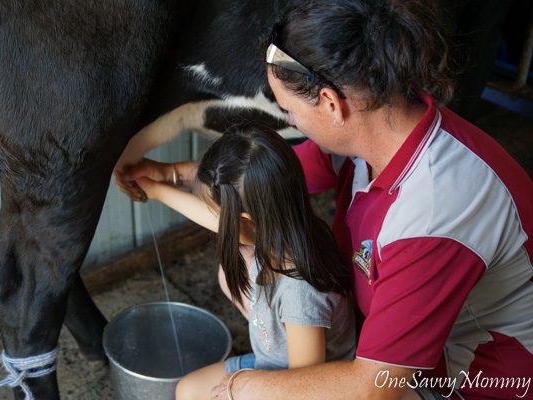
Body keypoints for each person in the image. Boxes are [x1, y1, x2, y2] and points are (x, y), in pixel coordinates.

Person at [202, 0, 531, 399]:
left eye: (289, 112)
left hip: (468, 386)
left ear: (330, 103)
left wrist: (243, 386)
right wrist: (177, 173)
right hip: (392, 357)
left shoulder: (435, 213)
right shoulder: (378, 121)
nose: (291, 123)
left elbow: (373, 390)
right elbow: (270, 175)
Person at [116, 128, 356, 400]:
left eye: (218, 216)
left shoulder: (300, 294)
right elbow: (220, 217)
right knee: (187, 390)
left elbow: (304, 386)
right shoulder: (283, 228)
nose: (215, 224)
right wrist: (156, 188)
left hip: (296, 384)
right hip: (271, 363)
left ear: (246, 221)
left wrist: (238, 390)